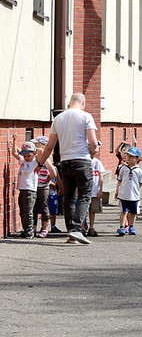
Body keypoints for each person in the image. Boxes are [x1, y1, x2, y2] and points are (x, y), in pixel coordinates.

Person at [36, 92, 98, 245]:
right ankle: (76, 228)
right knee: (84, 196)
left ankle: (71, 233)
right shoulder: (86, 116)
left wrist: (40, 164)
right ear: (82, 102)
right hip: (82, 161)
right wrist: (94, 151)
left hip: (65, 162)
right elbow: (94, 143)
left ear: (70, 102)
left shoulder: (58, 118)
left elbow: (49, 146)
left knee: (69, 198)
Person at [10, 139, 45, 238]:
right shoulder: (22, 161)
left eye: (29, 155)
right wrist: (14, 142)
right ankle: (25, 230)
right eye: (25, 156)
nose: (26, 158)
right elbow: (14, 153)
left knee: (28, 212)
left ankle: (30, 232)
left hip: (30, 190)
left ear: (33, 154)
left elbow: (41, 152)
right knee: (22, 211)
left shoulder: (35, 162)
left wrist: (34, 149)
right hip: (22, 189)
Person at [115, 147, 142, 236]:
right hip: (124, 195)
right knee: (124, 211)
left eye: (132, 156)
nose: (129, 158)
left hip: (134, 196)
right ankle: (122, 227)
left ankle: (131, 226)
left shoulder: (139, 170)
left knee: (133, 212)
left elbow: (141, 182)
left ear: (137, 159)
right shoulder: (123, 168)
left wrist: (135, 189)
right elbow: (119, 180)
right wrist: (117, 191)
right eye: (128, 156)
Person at [31, 136, 55, 238]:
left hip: (43, 187)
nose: (35, 147)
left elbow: (53, 173)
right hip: (34, 186)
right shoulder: (33, 158)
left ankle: (45, 228)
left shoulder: (45, 159)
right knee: (34, 207)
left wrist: (46, 180)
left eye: (36, 145)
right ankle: (34, 227)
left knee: (44, 206)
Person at [87, 142, 105, 237]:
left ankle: (91, 226)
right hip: (85, 190)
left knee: (92, 211)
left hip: (94, 190)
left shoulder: (97, 162)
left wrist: (100, 190)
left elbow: (101, 177)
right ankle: (82, 226)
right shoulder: (84, 161)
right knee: (84, 210)